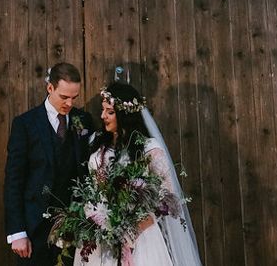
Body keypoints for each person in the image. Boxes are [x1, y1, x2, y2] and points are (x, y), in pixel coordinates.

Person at [75, 83, 202, 266]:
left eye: (109, 112)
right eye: (103, 111)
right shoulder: (97, 141)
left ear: (125, 115)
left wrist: (133, 229)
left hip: (140, 237)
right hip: (101, 235)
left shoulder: (149, 149)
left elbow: (167, 197)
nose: (103, 116)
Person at [4, 63, 94, 264]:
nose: (69, 103)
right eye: (64, 97)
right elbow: (14, 180)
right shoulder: (25, 124)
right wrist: (17, 231)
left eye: (74, 97)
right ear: (50, 88)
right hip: (34, 229)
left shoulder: (84, 120)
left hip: (74, 228)